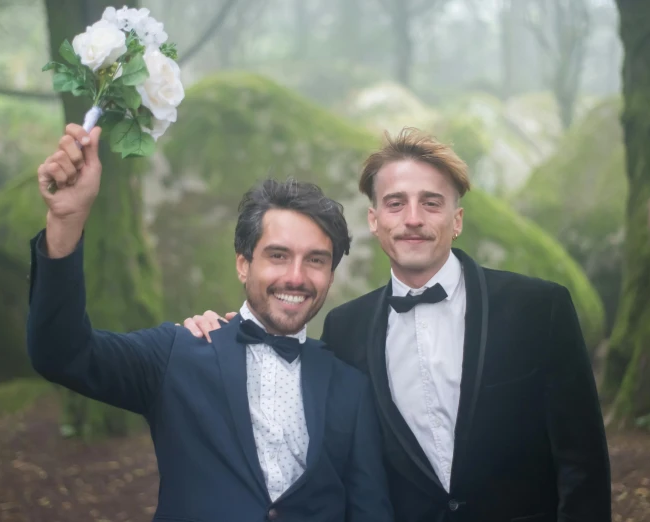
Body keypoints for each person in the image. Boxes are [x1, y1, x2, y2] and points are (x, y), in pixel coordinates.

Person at [184, 128, 612, 522]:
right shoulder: (344, 329)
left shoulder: (540, 308)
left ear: (456, 220)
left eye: (431, 202)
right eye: (395, 203)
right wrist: (220, 332)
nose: (412, 218)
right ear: (374, 221)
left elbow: (583, 463)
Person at [28, 124, 394, 522]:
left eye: (316, 260)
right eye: (277, 255)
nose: (296, 276)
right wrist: (65, 222)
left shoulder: (351, 387)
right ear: (243, 263)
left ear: (331, 274)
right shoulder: (175, 354)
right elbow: (61, 353)